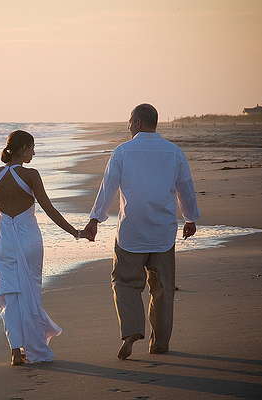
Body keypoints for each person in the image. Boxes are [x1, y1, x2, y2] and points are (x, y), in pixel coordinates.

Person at [84, 104, 200, 359]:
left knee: (124, 282)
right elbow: (186, 188)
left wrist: (95, 219)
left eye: (129, 122)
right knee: (162, 288)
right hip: (162, 233)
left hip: (131, 233)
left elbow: (108, 188)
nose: (128, 127)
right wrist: (190, 218)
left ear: (137, 122)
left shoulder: (123, 152)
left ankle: (132, 331)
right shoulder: (174, 152)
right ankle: (159, 344)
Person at [0, 130, 92, 365]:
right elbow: (49, 208)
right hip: (29, 241)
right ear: (24, 148)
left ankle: (16, 350)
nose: (34, 153)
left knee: (11, 296)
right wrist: (77, 233)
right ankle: (34, 346)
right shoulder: (31, 175)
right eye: (33, 148)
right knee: (30, 294)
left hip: (4, 242)